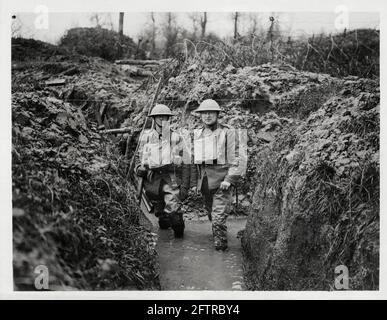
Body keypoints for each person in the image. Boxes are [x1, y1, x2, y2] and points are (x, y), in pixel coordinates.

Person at [191, 99, 245, 251]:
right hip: (206, 183)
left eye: (211, 113)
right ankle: (218, 234)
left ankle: (221, 250)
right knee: (211, 214)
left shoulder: (228, 133)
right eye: (204, 113)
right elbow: (196, 162)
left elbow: (238, 158)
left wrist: (229, 179)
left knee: (218, 218)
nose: (207, 116)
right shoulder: (198, 134)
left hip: (222, 182)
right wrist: (196, 183)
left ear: (217, 114)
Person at [134, 104, 190, 238]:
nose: (161, 119)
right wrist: (138, 168)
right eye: (158, 116)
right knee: (161, 216)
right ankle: (164, 229)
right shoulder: (145, 136)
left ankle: (179, 238)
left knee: (174, 212)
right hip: (152, 180)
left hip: (170, 179)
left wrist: (185, 185)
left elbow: (186, 160)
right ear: (153, 118)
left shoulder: (176, 137)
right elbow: (138, 157)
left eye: (164, 116)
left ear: (168, 118)